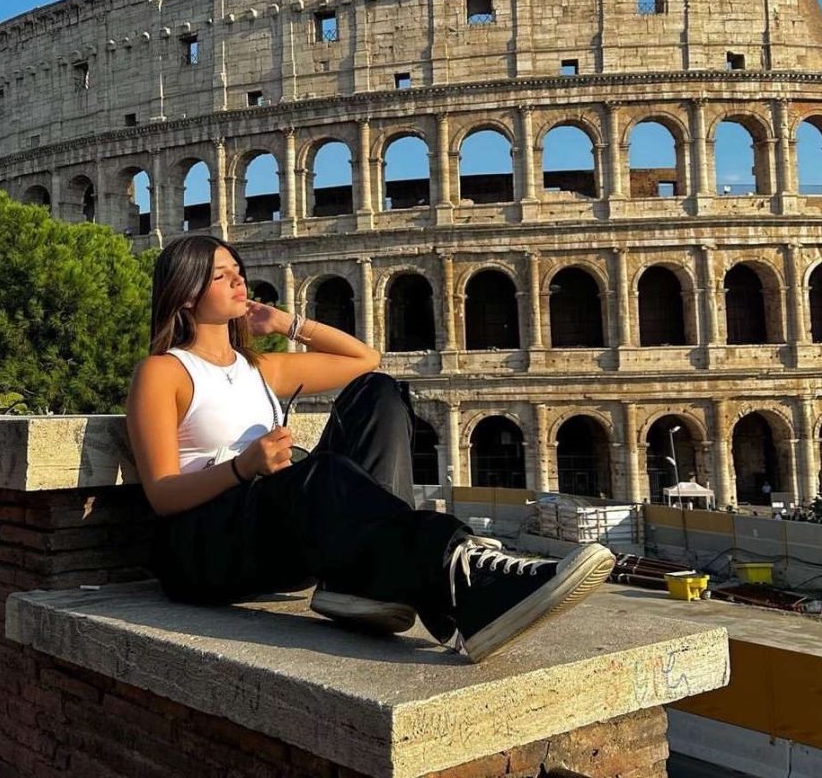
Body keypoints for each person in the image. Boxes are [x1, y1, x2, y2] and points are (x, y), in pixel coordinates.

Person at [126, 234, 615, 664]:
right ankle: (464, 578)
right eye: (220, 275)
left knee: (379, 391)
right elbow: (163, 495)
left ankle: (364, 580)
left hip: (271, 530)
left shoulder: (259, 368)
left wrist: (284, 324)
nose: (239, 282)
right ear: (187, 293)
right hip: (200, 551)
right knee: (321, 474)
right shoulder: (163, 372)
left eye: (239, 271)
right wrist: (242, 467)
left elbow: (364, 359)